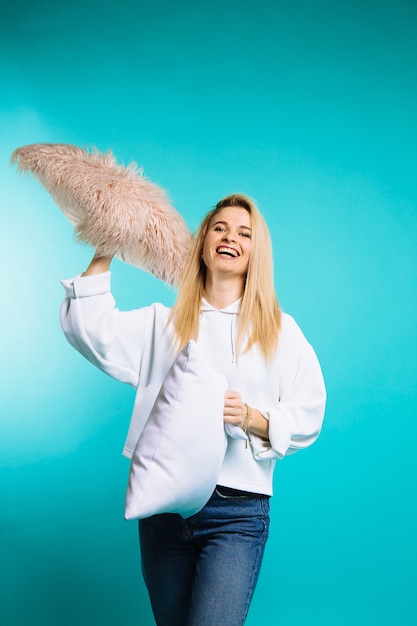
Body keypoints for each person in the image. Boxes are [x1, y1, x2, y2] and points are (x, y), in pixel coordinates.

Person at [60, 193, 326, 626]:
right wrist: (107, 242)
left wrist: (251, 418)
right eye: (219, 228)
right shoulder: (162, 323)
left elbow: (309, 412)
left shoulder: (278, 330)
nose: (230, 238)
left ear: (256, 252)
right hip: (164, 509)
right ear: (203, 242)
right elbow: (92, 331)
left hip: (236, 513)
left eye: (244, 233)